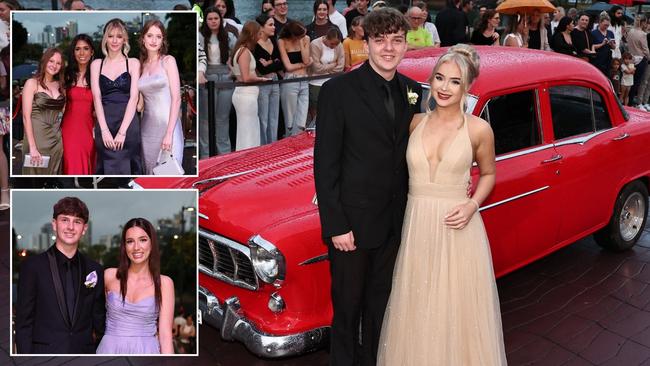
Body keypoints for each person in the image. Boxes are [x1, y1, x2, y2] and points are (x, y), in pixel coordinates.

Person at [377, 43, 505, 366]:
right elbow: (383, 164)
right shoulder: (415, 123)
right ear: (431, 81)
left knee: (455, 314)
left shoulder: (479, 130)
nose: (444, 87)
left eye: (454, 81)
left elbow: (489, 174)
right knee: (418, 308)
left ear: (467, 86)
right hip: (417, 226)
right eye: (439, 78)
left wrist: (472, 204)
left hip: (457, 228)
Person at [314, 8, 422, 366]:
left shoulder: (413, 91)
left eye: (396, 40)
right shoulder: (337, 91)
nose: (388, 48)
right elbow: (325, 165)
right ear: (367, 43)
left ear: (406, 44)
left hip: (392, 224)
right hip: (352, 228)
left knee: (379, 308)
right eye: (380, 40)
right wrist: (337, 226)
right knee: (347, 311)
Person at [15, 197, 105, 353]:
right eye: (65, 220)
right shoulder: (32, 267)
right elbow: (24, 324)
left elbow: (99, 321)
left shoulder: (95, 269)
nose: (70, 227)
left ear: (84, 228)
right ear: (54, 224)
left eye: (77, 221)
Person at [97, 218, 174, 354]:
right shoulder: (109, 276)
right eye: (130, 241)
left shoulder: (164, 284)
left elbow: (165, 336)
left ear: (152, 243)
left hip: (146, 352)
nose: (136, 247)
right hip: (109, 350)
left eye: (143, 240)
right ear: (124, 246)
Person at [90, 18, 143, 175]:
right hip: (104, 122)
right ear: (105, 38)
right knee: (106, 169)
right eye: (111, 36)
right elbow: (96, 98)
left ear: (124, 39)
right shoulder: (96, 65)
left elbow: (134, 98)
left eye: (119, 36)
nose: (114, 40)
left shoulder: (133, 63)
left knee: (131, 166)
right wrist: (104, 130)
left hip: (128, 123)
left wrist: (122, 132)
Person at [138, 19, 184, 175]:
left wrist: (169, 133)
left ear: (163, 40)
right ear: (143, 38)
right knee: (150, 176)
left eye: (158, 36)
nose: (153, 40)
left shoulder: (168, 61)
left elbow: (176, 99)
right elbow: (139, 105)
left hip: (168, 127)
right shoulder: (140, 65)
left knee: (169, 174)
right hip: (147, 130)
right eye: (150, 35)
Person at [198, 7, 236, 157]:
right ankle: (205, 156)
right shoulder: (200, 36)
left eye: (216, 18)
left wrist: (233, 70)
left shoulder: (229, 36)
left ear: (221, 20)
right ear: (205, 21)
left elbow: (236, 56)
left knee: (223, 119)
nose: (213, 21)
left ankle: (224, 156)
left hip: (226, 78)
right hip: (207, 78)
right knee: (205, 121)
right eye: (210, 19)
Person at [21, 48, 66, 175]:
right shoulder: (32, 83)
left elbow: (62, 112)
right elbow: (26, 116)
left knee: (53, 176)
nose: (54, 65)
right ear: (44, 61)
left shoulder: (61, 86)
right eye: (51, 61)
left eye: (58, 63)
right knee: (34, 177)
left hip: (56, 140)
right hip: (36, 139)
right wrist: (33, 147)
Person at [231, 21, 269, 150]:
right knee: (248, 131)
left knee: (248, 129)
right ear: (253, 34)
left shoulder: (240, 50)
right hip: (246, 96)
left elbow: (236, 71)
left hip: (246, 95)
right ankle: (247, 159)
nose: (259, 37)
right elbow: (246, 77)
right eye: (259, 34)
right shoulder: (244, 52)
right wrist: (261, 79)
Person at [62, 34, 95, 175]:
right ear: (73, 52)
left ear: (92, 52)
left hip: (91, 130)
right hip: (69, 130)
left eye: (86, 48)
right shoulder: (66, 74)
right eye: (77, 49)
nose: (82, 53)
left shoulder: (98, 75)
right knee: (72, 163)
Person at [278, 21, 311, 136]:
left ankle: (299, 143)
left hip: (304, 79)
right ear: (293, 34)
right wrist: (303, 65)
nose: (304, 36)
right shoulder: (282, 42)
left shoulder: (305, 39)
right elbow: (288, 66)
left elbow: (306, 60)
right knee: (290, 118)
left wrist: (302, 42)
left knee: (302, 117)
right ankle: (289, 142)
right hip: (291, 80)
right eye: (300, 35)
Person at [255, 13, 283, 145]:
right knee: (263, 118)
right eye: (270, 25)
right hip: (263, 82)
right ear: (261, 27)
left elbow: (281, 63)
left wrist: (269, 62)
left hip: (275, 80)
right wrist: (274, 63)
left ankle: (273, 145)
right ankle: (263, 146)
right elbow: (262, 69)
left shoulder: (273, 41)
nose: (274, 27)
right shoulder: (255, 45)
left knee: (274, 117)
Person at [309, 27, 344, 122]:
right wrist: (333, 65)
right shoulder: (315, 44)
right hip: (316, 82)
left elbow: (341, 67)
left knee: (332, 107)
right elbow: (316, 68)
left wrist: (325, 68)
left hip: (332, 81)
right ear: (326, 38)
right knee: (316, 107)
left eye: (337, 44)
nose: (334, 46)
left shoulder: (339, 45)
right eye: (332, 44)